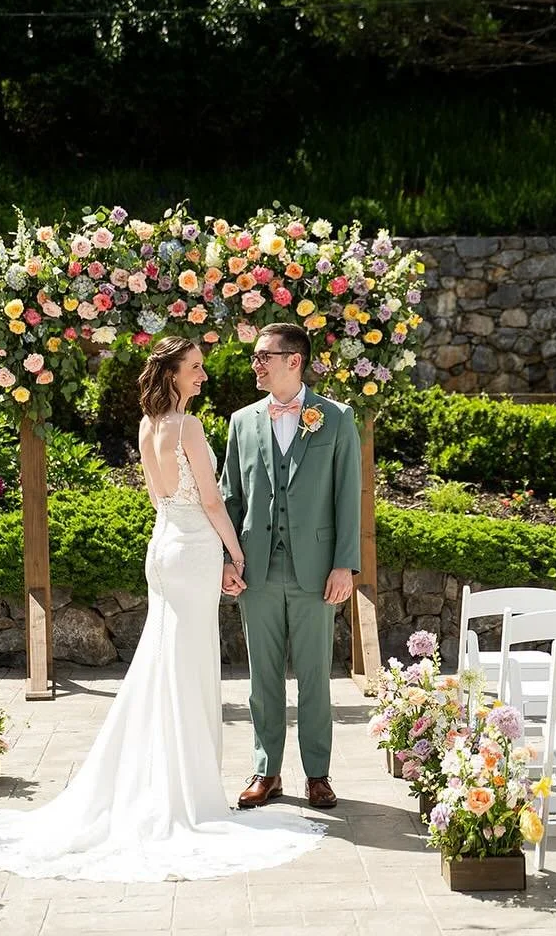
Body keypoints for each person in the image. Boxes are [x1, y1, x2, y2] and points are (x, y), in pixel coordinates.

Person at [0, 335, 324, 881]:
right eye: (196, 369)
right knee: (188, 668)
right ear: (174, 374)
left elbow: (161, 497)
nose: (203, 376)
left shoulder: (145, 425)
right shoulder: (188, 427)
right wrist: (238, 555)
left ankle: (159, 778)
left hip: (161, 548)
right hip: (193, 552)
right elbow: (210, 500)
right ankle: (184, 793)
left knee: (163, 665)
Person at [218, 323, 361, 811]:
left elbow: (348, 499)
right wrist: (225, 559)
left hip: (317, 571)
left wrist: (345, 566)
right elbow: (230, 498)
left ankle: (317, 774)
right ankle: (266, 771)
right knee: (261, 677)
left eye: (264, 356)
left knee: (317, 675)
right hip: (256, 569)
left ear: (294, 360)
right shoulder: (241, 421)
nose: (256, 364)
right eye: (256, 356)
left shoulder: (336, 418)